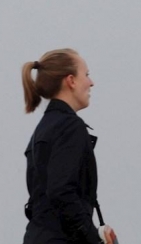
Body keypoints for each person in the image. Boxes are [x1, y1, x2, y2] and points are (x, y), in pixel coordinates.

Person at [21, 48, 118, 244]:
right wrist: (92, 237)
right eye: (87, 75)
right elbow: (60, 191)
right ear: (71, 81)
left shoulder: (42, 130)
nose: (91, 82)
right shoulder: (70, 126)